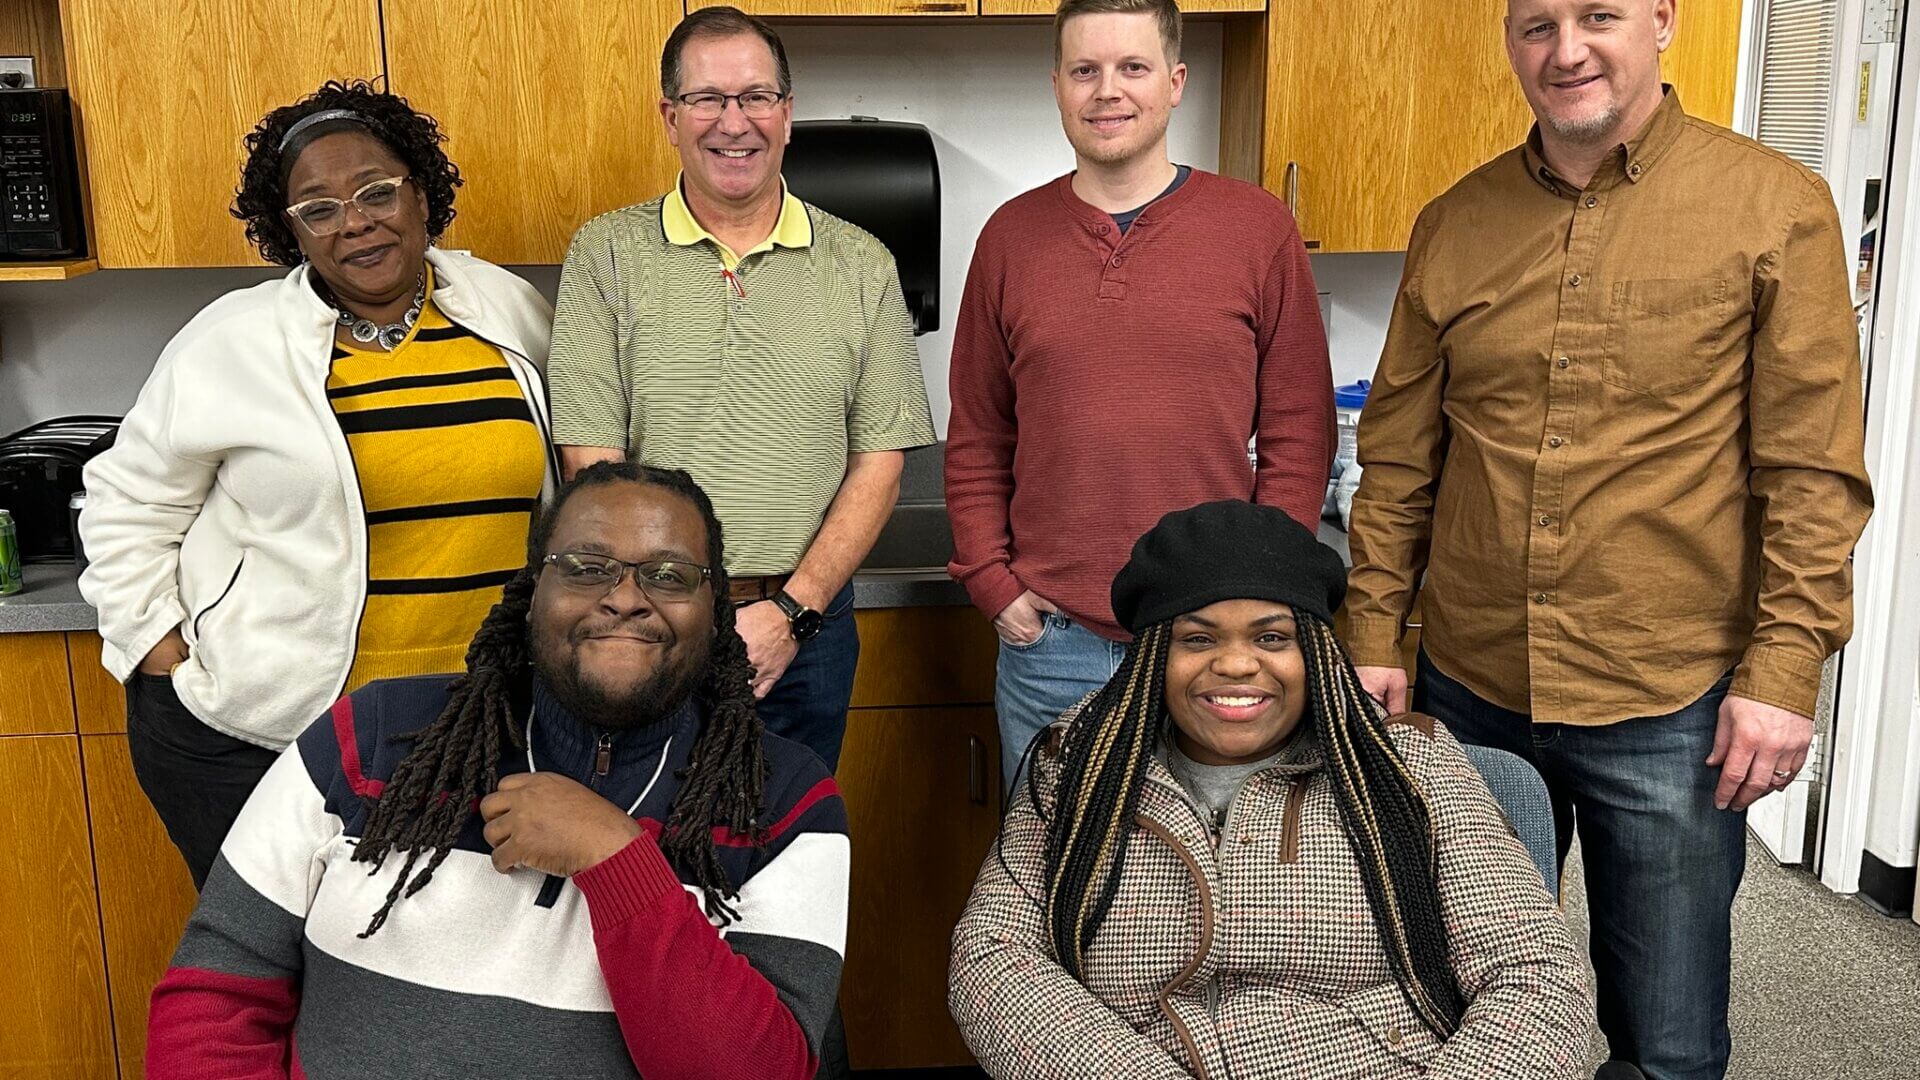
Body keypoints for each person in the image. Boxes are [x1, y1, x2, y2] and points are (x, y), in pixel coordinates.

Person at [1342, 2, 1873, 1076]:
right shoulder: (1455, 221)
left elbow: (1810, 472)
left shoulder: (1775, 209)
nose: (1566, 50)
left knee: (1667, 1042)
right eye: (1536, 24)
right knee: (1458, 1012)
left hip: (1665, 699)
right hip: (1470, 685)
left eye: (1599, 15)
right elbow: (1398, 460)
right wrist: (1374, 635)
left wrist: (1785, 671)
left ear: (1665, 21)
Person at [145, 462, 850, 1078]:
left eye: (669, 575)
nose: (626, 597)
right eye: (586, 566)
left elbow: (760, 1071)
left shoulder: (783, 800)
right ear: (531, 589)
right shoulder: (372, 739)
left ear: (714, 609)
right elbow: (219, 990)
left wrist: (617, 861)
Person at [79, 80, 558, 889]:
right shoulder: (230, 342)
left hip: (481, 728)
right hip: (264, 736)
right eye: (319, 208)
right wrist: (157, 649)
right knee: (279, 977)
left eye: (377, 191)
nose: (357, 222)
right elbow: (125, 505)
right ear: (289, 230)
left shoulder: (505, 308)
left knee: (443, 980)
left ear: (421, 191)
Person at [949, 500, 1590, 1078]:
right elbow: (994, 961)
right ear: (1151, 660)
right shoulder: (1081, 766)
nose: (1234, 663)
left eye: (1272, 637)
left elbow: (1538, 977)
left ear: (1314, 651)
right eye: (1196, 639)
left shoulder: (1411, 768)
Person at [944, 0, 1333, 791]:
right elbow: (980, 434)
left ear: (1175, 81)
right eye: (1085, 70)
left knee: (1216, 889)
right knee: (1052, 887)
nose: (1107, 92)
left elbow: (1299, 432)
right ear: (1057, 86)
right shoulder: (1010, 237)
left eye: (1132, 68)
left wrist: (1258, 590)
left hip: (1212, 645)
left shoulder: (1256, 228)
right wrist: (992, 580)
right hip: (1052, 646)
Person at [548, 6, 936, 771]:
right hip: (645, 618)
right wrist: (664, 604)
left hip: (808, 629)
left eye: (756, 97)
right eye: (707, 99)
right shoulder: (606, 254)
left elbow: (880, 463)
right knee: (643, 857)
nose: (735, 122)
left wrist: (791, 612)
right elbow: (592, 467)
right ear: (670, 116)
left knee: (787, 860)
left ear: (787, 114)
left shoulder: (863, 264)